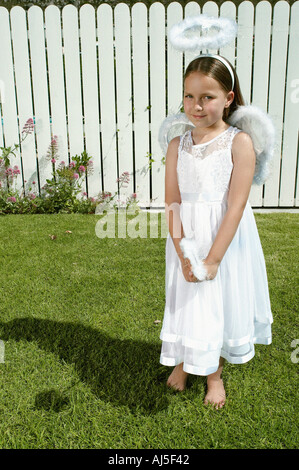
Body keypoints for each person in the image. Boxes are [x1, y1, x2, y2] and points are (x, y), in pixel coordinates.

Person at [160, 54, 273, 409]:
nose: (196, 106)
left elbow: (236, 205)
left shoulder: (239, 143)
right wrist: (182, 250)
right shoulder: (178, 145)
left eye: (207, 97)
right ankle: (183, 358)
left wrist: (211, 259)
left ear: (228, 97)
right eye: (189, 96)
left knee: (217, 301)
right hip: (187, 236)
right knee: (186, 299)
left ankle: (214, 374)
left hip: (223, 238)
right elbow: (172, 201)